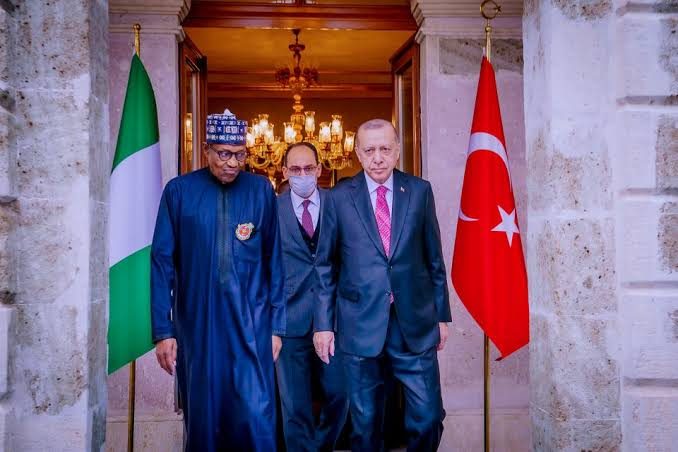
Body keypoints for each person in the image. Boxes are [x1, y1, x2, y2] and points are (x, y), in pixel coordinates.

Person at [150, 109, 285, 451]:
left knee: (256, 415)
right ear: (206, 150)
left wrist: (276, 327)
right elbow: (162, 263)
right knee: (205, 419)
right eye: (224, 154)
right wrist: (163, 331)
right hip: (198, 326)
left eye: (240, 154)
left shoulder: (260, 190)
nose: (232, 163)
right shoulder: (179, 191)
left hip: (252, 324)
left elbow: (275, 260)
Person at [314, 119, 451, 451]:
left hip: (413, 323)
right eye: (370, 150)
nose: (378, 158)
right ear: (358, 153)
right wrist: (323, 325)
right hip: (358, 324)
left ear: (397, 151)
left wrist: (442, 315)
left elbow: (433, 258)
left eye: (385, 149)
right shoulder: (338, 198)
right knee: (365, 425)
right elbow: (325, 265)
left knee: (429, 416)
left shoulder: (419, 191)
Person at [275, 142, 349, 452]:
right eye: (295, 169)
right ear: (284, 172)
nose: (302, 174)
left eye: (308, 168)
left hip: (334, 319)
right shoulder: (272, 209)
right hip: (288, 321)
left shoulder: (340, 203)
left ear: (320, 169)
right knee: (295, 406)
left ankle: (321, 447)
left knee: (341, 394)